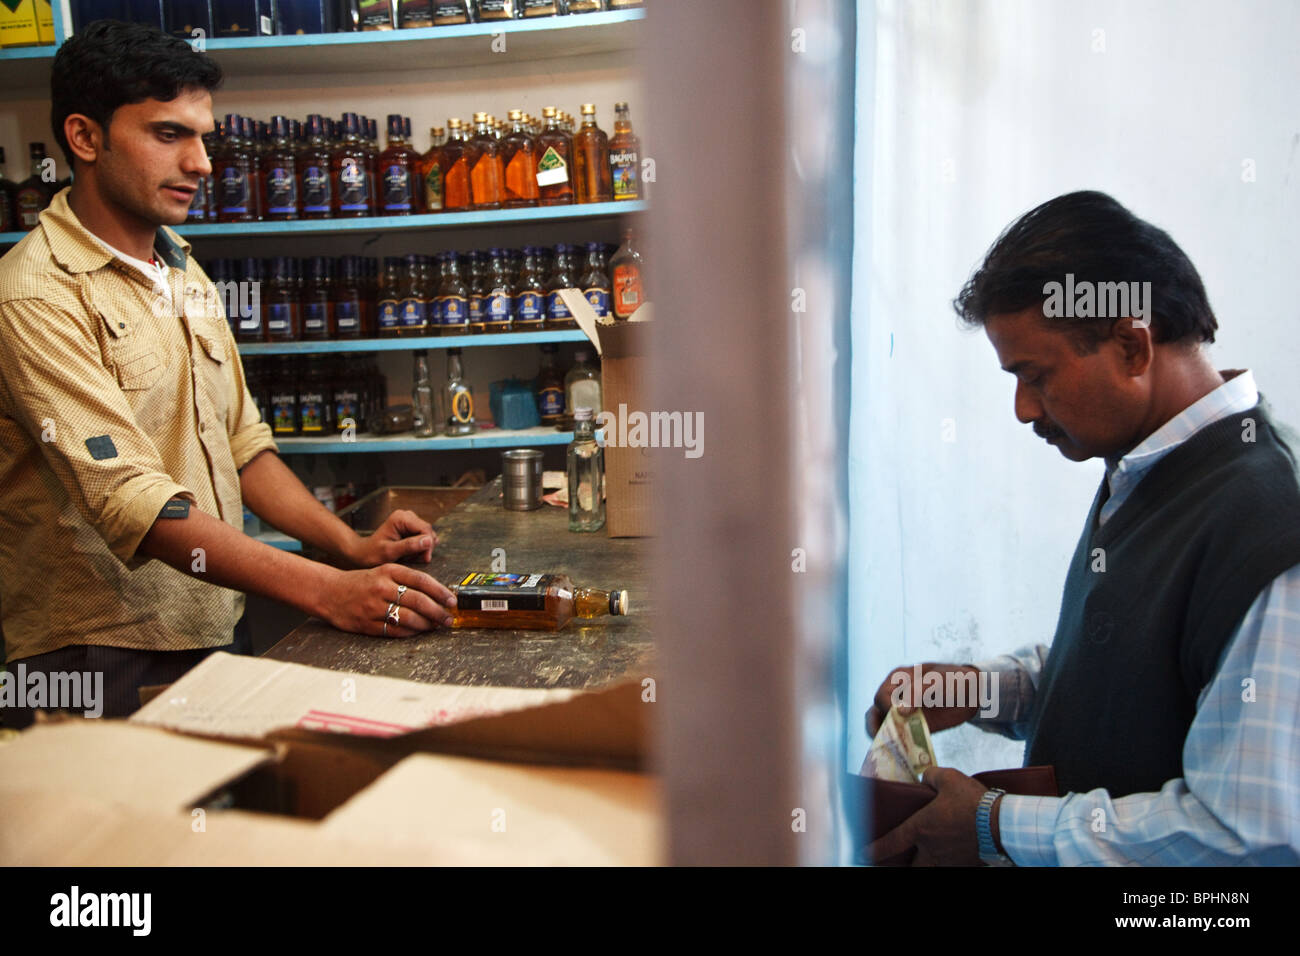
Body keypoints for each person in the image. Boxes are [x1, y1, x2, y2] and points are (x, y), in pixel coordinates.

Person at [0, 21, 456, 728]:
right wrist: (327, 591)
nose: (203, 163)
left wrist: (348, 547)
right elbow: (132, 501)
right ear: (85, 139)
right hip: (94, 655)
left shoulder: (181, 268)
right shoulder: (33, 295)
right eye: (168, 135)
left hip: (210, 623)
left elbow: (243, 443)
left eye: (204, 136)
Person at [865, 191, 1300, 865]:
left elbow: (1247, 833)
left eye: (1035, 376)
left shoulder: (1270, 523)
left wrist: (993, 825)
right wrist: (972, 691)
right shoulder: (1146, 468)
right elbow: (1120, 671)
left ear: (1130, 345)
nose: (1021, 408)